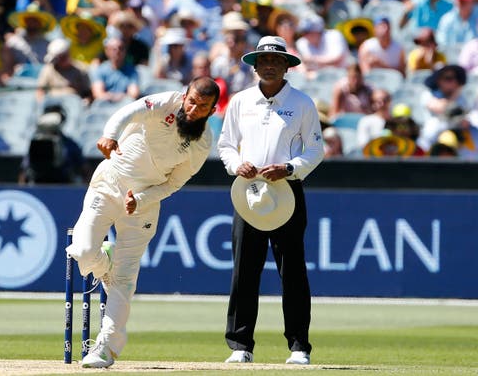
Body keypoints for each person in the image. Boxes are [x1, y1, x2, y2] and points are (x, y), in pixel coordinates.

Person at [65, 76, 220, 368]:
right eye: (191, 101)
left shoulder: (203, 142)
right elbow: (129, 111)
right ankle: (103, 262)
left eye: (202, 107)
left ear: (212, 110)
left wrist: (143, 199)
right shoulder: (166, 102)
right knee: (84, 251)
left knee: (124, 278)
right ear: (184, 95)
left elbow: (174, 183)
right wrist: (110, 134)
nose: (193, 109)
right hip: (109, 183)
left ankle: (106, 349)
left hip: (143, 204)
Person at [218, 36, 324, 365]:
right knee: (244, 272)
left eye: (276, 61)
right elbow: (226, 145)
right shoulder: (240, 101)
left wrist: (290, 167)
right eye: (263, 60)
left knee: (292, 271)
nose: (269, 65)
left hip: (287, 191)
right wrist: (238, 166)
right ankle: (240, 345)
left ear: (287, 65)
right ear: (254, 65)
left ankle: (299, 346)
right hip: (248, 193)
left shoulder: (303, 102)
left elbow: (315, 150)